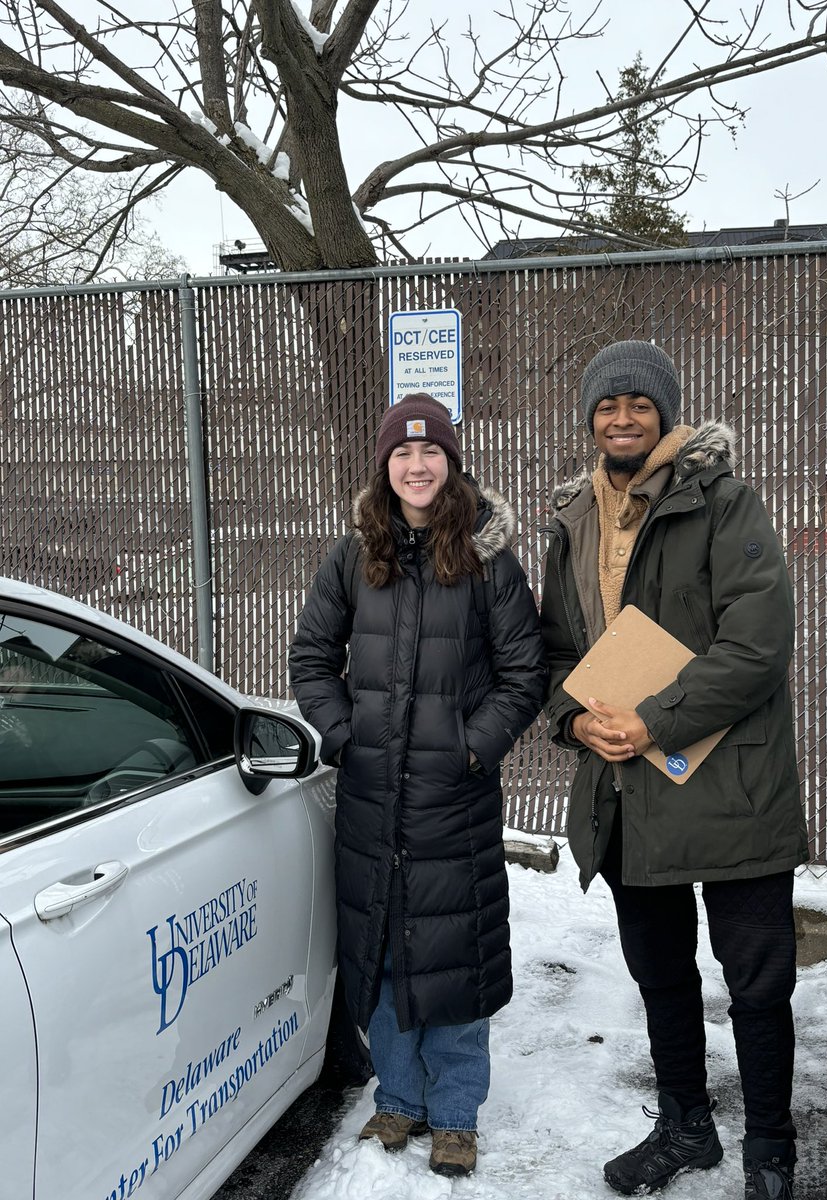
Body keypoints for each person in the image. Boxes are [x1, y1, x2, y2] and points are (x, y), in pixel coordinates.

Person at [540, 341, 809, 1200]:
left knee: (757, 983)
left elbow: (756, 645)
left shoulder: (725, 504)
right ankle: (686, 1127)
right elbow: (552, 651)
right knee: (660, 976)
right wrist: (576, 717)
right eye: (607, 406)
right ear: (590, 418)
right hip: (626, 794)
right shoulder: (573, 518)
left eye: (638, 404)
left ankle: (770, 1148)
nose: (622, 419)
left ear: (665, 412)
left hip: (729, 785)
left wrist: (650, 720)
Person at [289, 393, 546, 1178]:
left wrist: (470, 750)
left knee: (455, 957)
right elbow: (311, 660)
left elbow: (523, 673)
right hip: (371, 797)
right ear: (385, 465)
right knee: (385, 953)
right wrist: (345, 738)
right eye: (402, 454)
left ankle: (457, 1113)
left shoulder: (485, 559)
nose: (417, 465)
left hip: (452, 799)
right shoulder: (351, 556)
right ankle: (398, 1100)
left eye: (430, 451)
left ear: (451, 462)